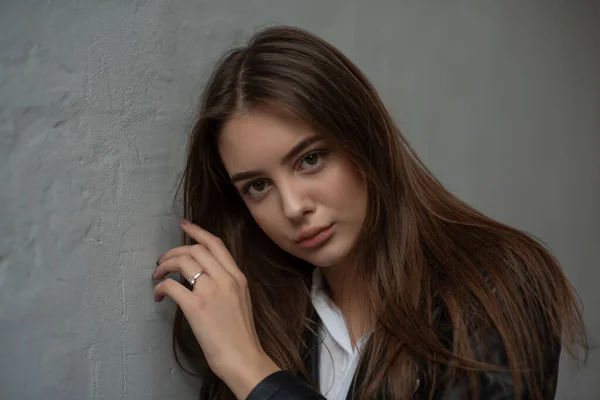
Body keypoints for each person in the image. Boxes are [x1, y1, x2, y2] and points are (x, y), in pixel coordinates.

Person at [151, 25, 588, 399]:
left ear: (365, 141)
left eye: (310, 159)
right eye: (258, 186)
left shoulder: (494, 286)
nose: (293, 207)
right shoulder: (262, 319)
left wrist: (253, 373)